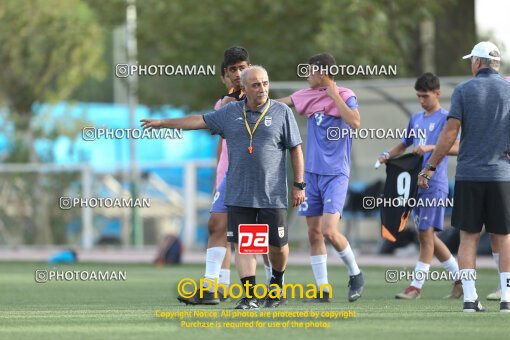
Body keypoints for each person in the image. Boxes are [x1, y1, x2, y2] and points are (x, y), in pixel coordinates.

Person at [141, 65, 305, 309]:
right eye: (256, 85)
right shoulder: (230, 112)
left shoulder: (281, 112)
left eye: (265, 83)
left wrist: (298, 185)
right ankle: (249, 297)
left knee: (277, 247)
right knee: (246, 246)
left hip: (272, 194)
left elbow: (296, 150)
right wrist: (165, 122)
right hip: (240, 193)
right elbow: (199, 120)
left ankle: (277, 285)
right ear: (245, 88)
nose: (262, 89)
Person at [417, 41, 510, 312]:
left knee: (468, 237)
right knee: (504, 237)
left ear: (478, 63)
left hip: (469, 175)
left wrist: (430, 167)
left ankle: (470, 298)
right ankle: (507, 298)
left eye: (471, 61)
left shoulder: (464, 90)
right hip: (502, 176)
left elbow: (449, 134)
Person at [278, 53, 364, 302]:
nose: (306, 75)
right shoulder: (304, 95)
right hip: (311, 175)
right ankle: (323, 290)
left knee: (329, 231)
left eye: (309, 71)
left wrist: (333, 94)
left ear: (322, 72)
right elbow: (277, 103)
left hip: (336, 174)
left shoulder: (346, 95)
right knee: (314, 233)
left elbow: (356, 122)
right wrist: (251, 100)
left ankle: (355, 273)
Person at [377, 73, 461, 300]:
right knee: (429, 237)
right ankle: (459, 278)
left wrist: (429, 147)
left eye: (425, 96)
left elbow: (458, 147)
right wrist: (387, 154)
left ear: (437, 93)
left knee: (425, 234)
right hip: (415, 186)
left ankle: (415, 287)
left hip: (434, 184)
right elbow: (404, 144)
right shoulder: (415, 118)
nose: (422, 100)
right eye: (419, 96)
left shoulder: (447, 118)